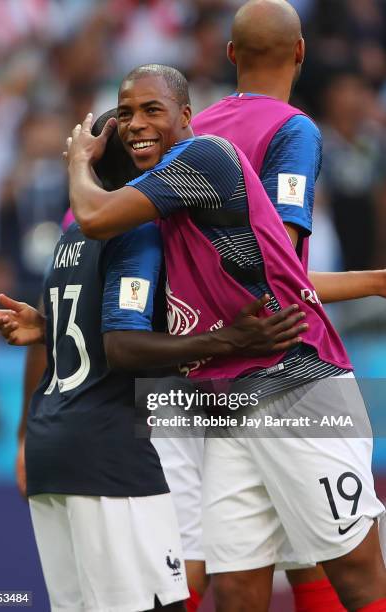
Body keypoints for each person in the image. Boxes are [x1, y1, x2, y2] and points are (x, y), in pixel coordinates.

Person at [64, 65, 386, 612]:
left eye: (151, 110)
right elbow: (278, 275)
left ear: (186, 116)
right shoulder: (167, 203)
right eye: (124, 113)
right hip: (226, 405)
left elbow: (92, 217)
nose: (135, 124)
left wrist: (77, 158)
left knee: (352, 571)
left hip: (297, 390)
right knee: (236, 585)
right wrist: (377, 282)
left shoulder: (203, 158)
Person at [0, 108, 309, 612]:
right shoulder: (138, 233)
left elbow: (86, 326)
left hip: (54, 445)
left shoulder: (69, 237)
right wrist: (227, 341)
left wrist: (46, 328)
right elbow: (122, 345)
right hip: (109, 453)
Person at [163, 1, 386, 608]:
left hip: (218, 384)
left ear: (231, 55)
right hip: (294, 372)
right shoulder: (295, 129)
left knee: (243, 577)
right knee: (358, 564)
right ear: (301, 52)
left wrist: (371, 280)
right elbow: (277, 262)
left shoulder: (193, 133)